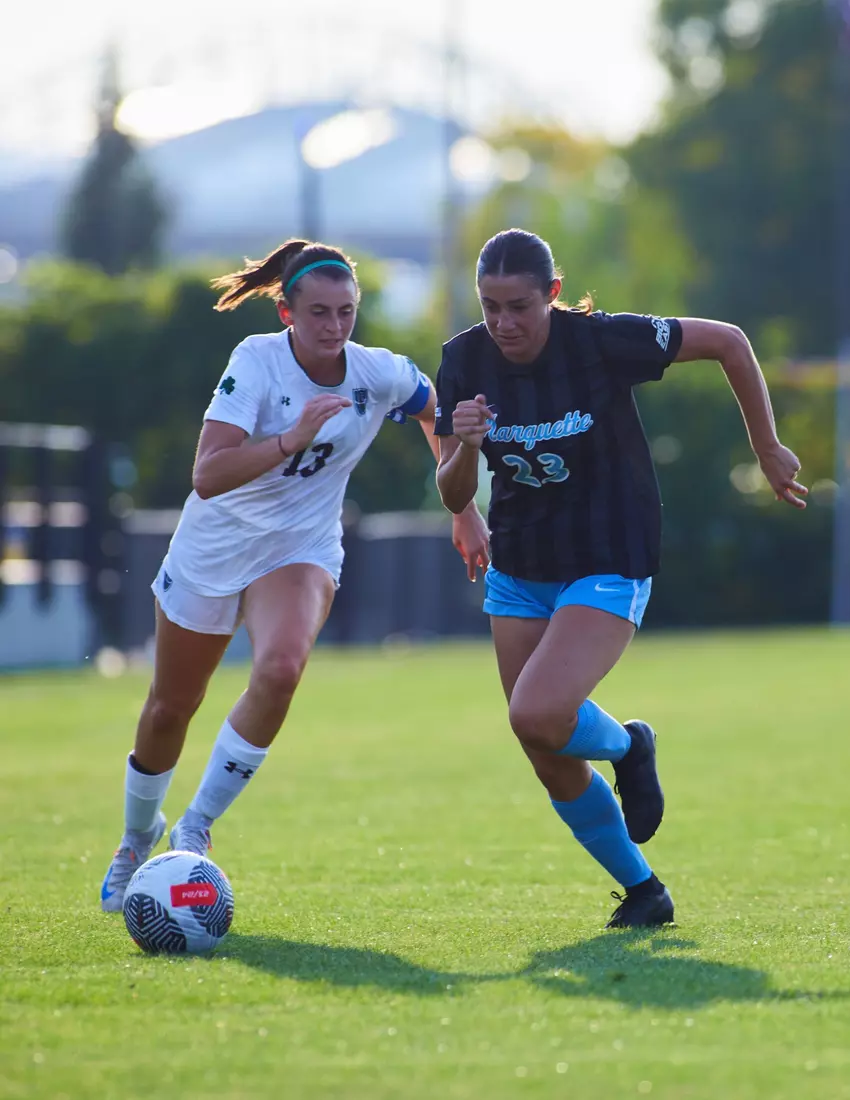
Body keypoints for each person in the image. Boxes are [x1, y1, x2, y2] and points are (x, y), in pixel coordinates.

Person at [100, 238, 490, 912]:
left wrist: (462, 508)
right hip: (216, 548)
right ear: (287, 313)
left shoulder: (377, 372)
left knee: (280, 669)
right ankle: (138, 837)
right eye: (318, 313)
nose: (335, 327)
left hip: (301, 547)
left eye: (346, 312)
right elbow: (208, 474)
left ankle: (195, 826)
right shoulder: (255, 363)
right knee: (171, 708)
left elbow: (432, 407)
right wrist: (289, 439)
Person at [434, 228, 807, 929]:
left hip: (609, 555)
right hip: (520, 564)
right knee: (542, 745)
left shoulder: (601, 341)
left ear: (552, 294)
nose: (503, 323)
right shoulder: (463, 359)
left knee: (537, 714)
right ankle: (643, 891)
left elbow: (728, 339)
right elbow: (455, 494)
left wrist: (765, 444)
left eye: (519, 305)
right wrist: (467, 448)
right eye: (490, 306)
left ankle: (630, 746)